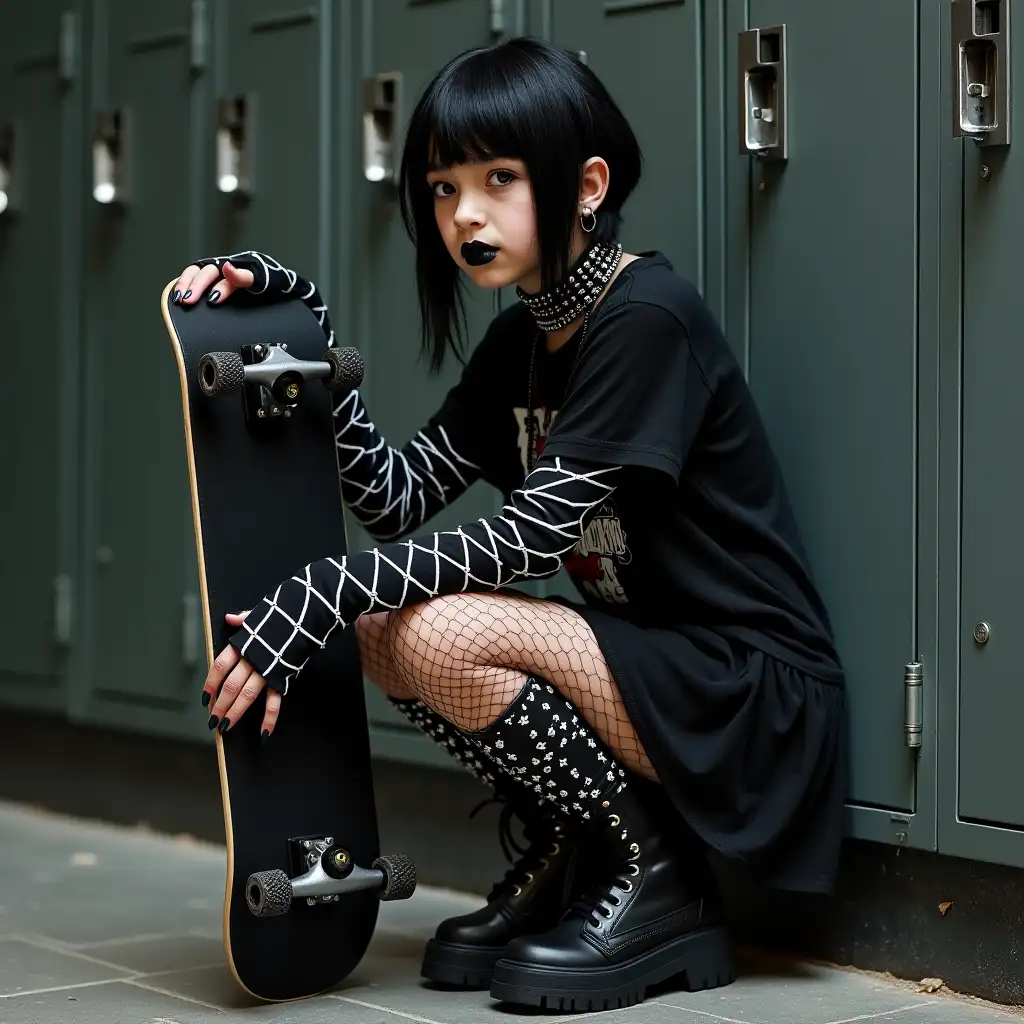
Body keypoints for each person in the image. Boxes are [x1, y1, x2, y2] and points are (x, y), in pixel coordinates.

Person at [170, 36, 847, 1013]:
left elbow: (528, 537)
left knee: (425, 622)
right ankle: (584, 849)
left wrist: (317, 591)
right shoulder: (521, 339)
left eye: (497, 178)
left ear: (586, 183)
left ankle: (654, 878)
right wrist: (307, 340)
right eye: (443, 189)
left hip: (748, 696)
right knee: (377, 626)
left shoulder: (642, 317)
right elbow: (400, 497)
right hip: (645, 667)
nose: (464, 214)